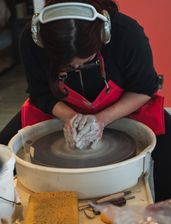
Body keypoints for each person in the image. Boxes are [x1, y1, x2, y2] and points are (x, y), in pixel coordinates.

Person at [0, 0, 171, 202]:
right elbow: (40, 94)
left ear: (103, 35)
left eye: (86, 60)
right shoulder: (32, 40)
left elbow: (144, 88)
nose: (75, 68)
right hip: (60, 108)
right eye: (66, 65)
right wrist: (70, 117)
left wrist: (101, 119)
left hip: (124, 106)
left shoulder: (126, 33)